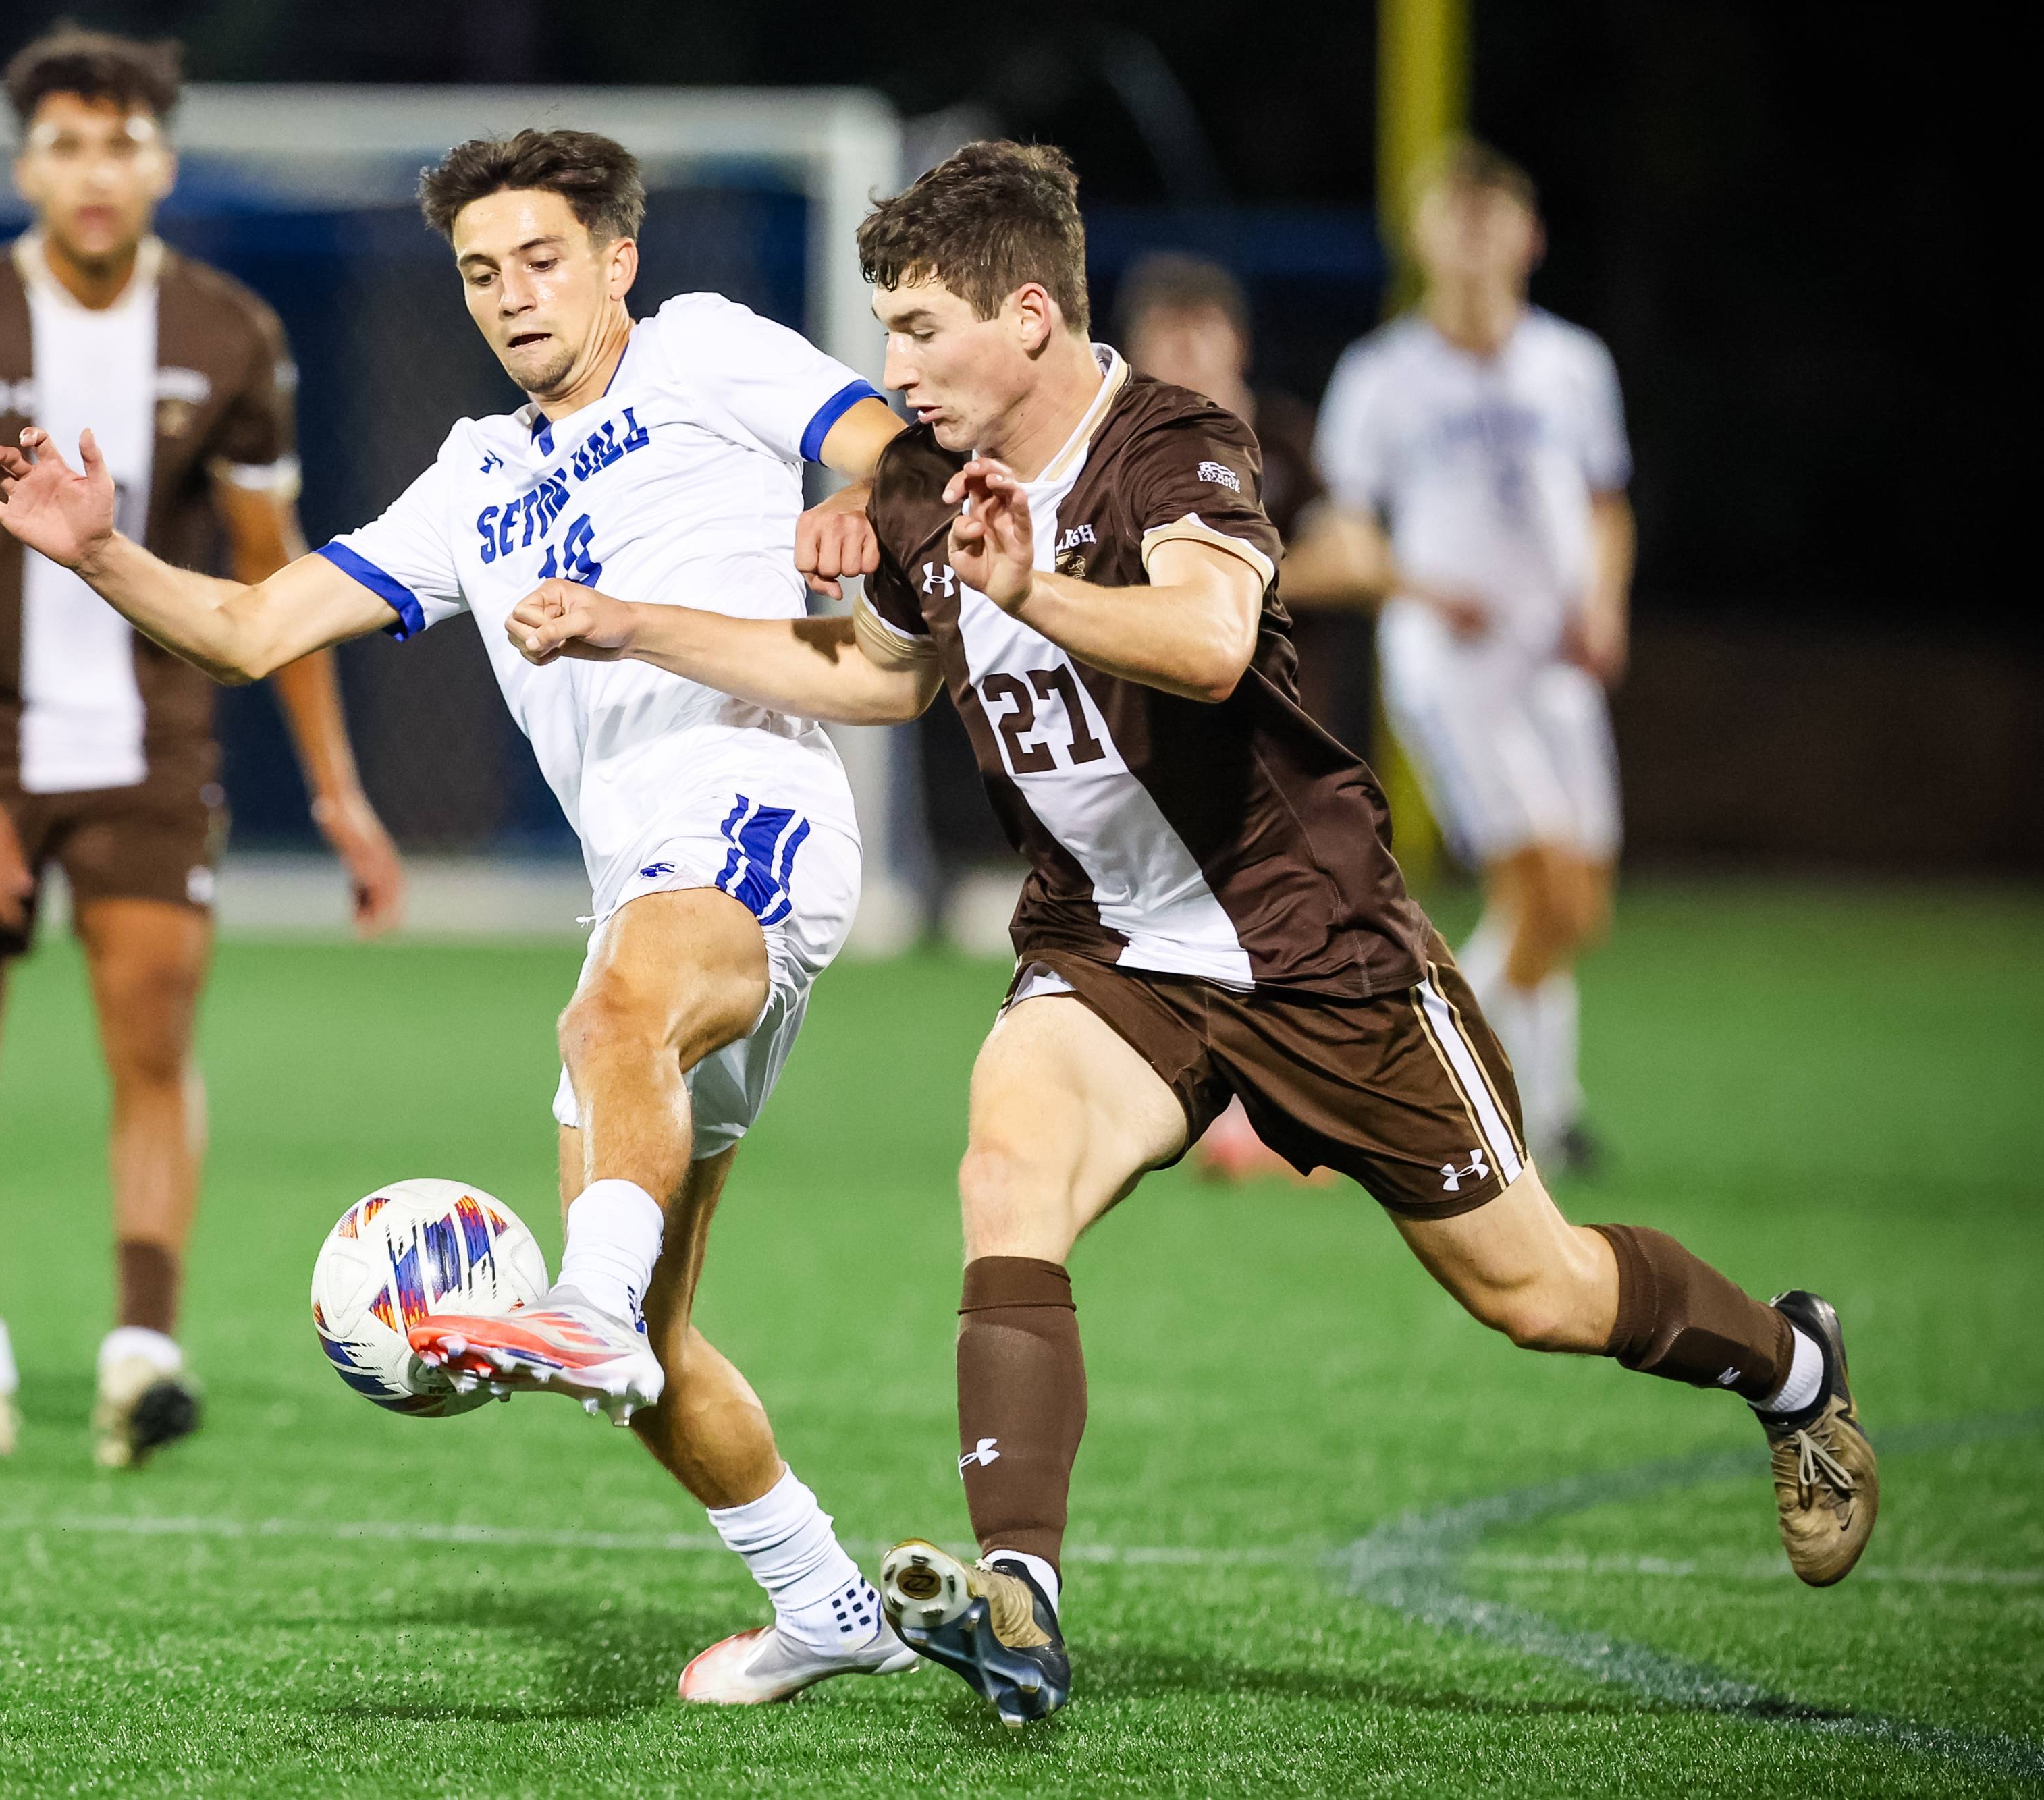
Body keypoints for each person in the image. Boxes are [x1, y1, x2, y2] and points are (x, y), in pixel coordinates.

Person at [499, 140, 1874, 1726]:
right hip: (1104, 941)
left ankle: (1789, 1364)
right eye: (884, 330)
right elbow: (879, 675)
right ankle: (1020, 1592)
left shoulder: (1170, 440)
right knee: (1003, 1169)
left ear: (1028, 317)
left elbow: (1213, 644)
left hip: (1307, 941)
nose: (894, 370)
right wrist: (627, 621)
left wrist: (1037, 588)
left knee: (1538, 1290)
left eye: (920, 329)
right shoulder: (914, 485)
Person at [0, 128, 921, 1704]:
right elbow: (258, 627)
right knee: (659, 1353)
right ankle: (822, 1600)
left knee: (606, 1022)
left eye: (541, 259)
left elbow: (886, 439)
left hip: (755, 810)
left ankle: (579, 1303)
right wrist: (100, 552)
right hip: (638, 882)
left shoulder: (702, 350)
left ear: (616, 261)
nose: (511, 296)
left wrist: (861, 506)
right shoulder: (476, 474)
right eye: (480, 273)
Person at [0, 26, 406, 1469]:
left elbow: (279, 579)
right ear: (27, 162)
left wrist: (341, 795)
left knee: (152, 1043)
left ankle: (140, 1351)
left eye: (122, 144)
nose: (95, 173)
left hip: (154, 742)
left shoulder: (228, 334)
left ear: (162, 160)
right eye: (66, 144)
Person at [1314, 140, 1634, 1174]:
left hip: (1554, 660)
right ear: (1422, 238)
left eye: (1492, 218)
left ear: (1529, 236)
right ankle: (1387, 1085)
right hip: (1450, 663)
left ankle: (1540, 1102)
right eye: (1454, 218)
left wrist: (1604, 602)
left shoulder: (1574, 365)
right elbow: (1348, 531)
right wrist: (1421, 589)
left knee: (1574, 904)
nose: (1474, 240)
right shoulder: (1383, 374)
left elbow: (1604, 501)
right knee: (1536, 886)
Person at [1118, 251, 1387, 1184]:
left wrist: (1228, 581)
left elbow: (1359, 558)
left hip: (1285, 738)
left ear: (1237, 344)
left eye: (1206, 329)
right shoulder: (1111, 447)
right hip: (1153, 744)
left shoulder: (1278, 436)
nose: (1190, 349)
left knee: (1294, 932)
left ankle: (1285, 1124)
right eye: (1170, 331)